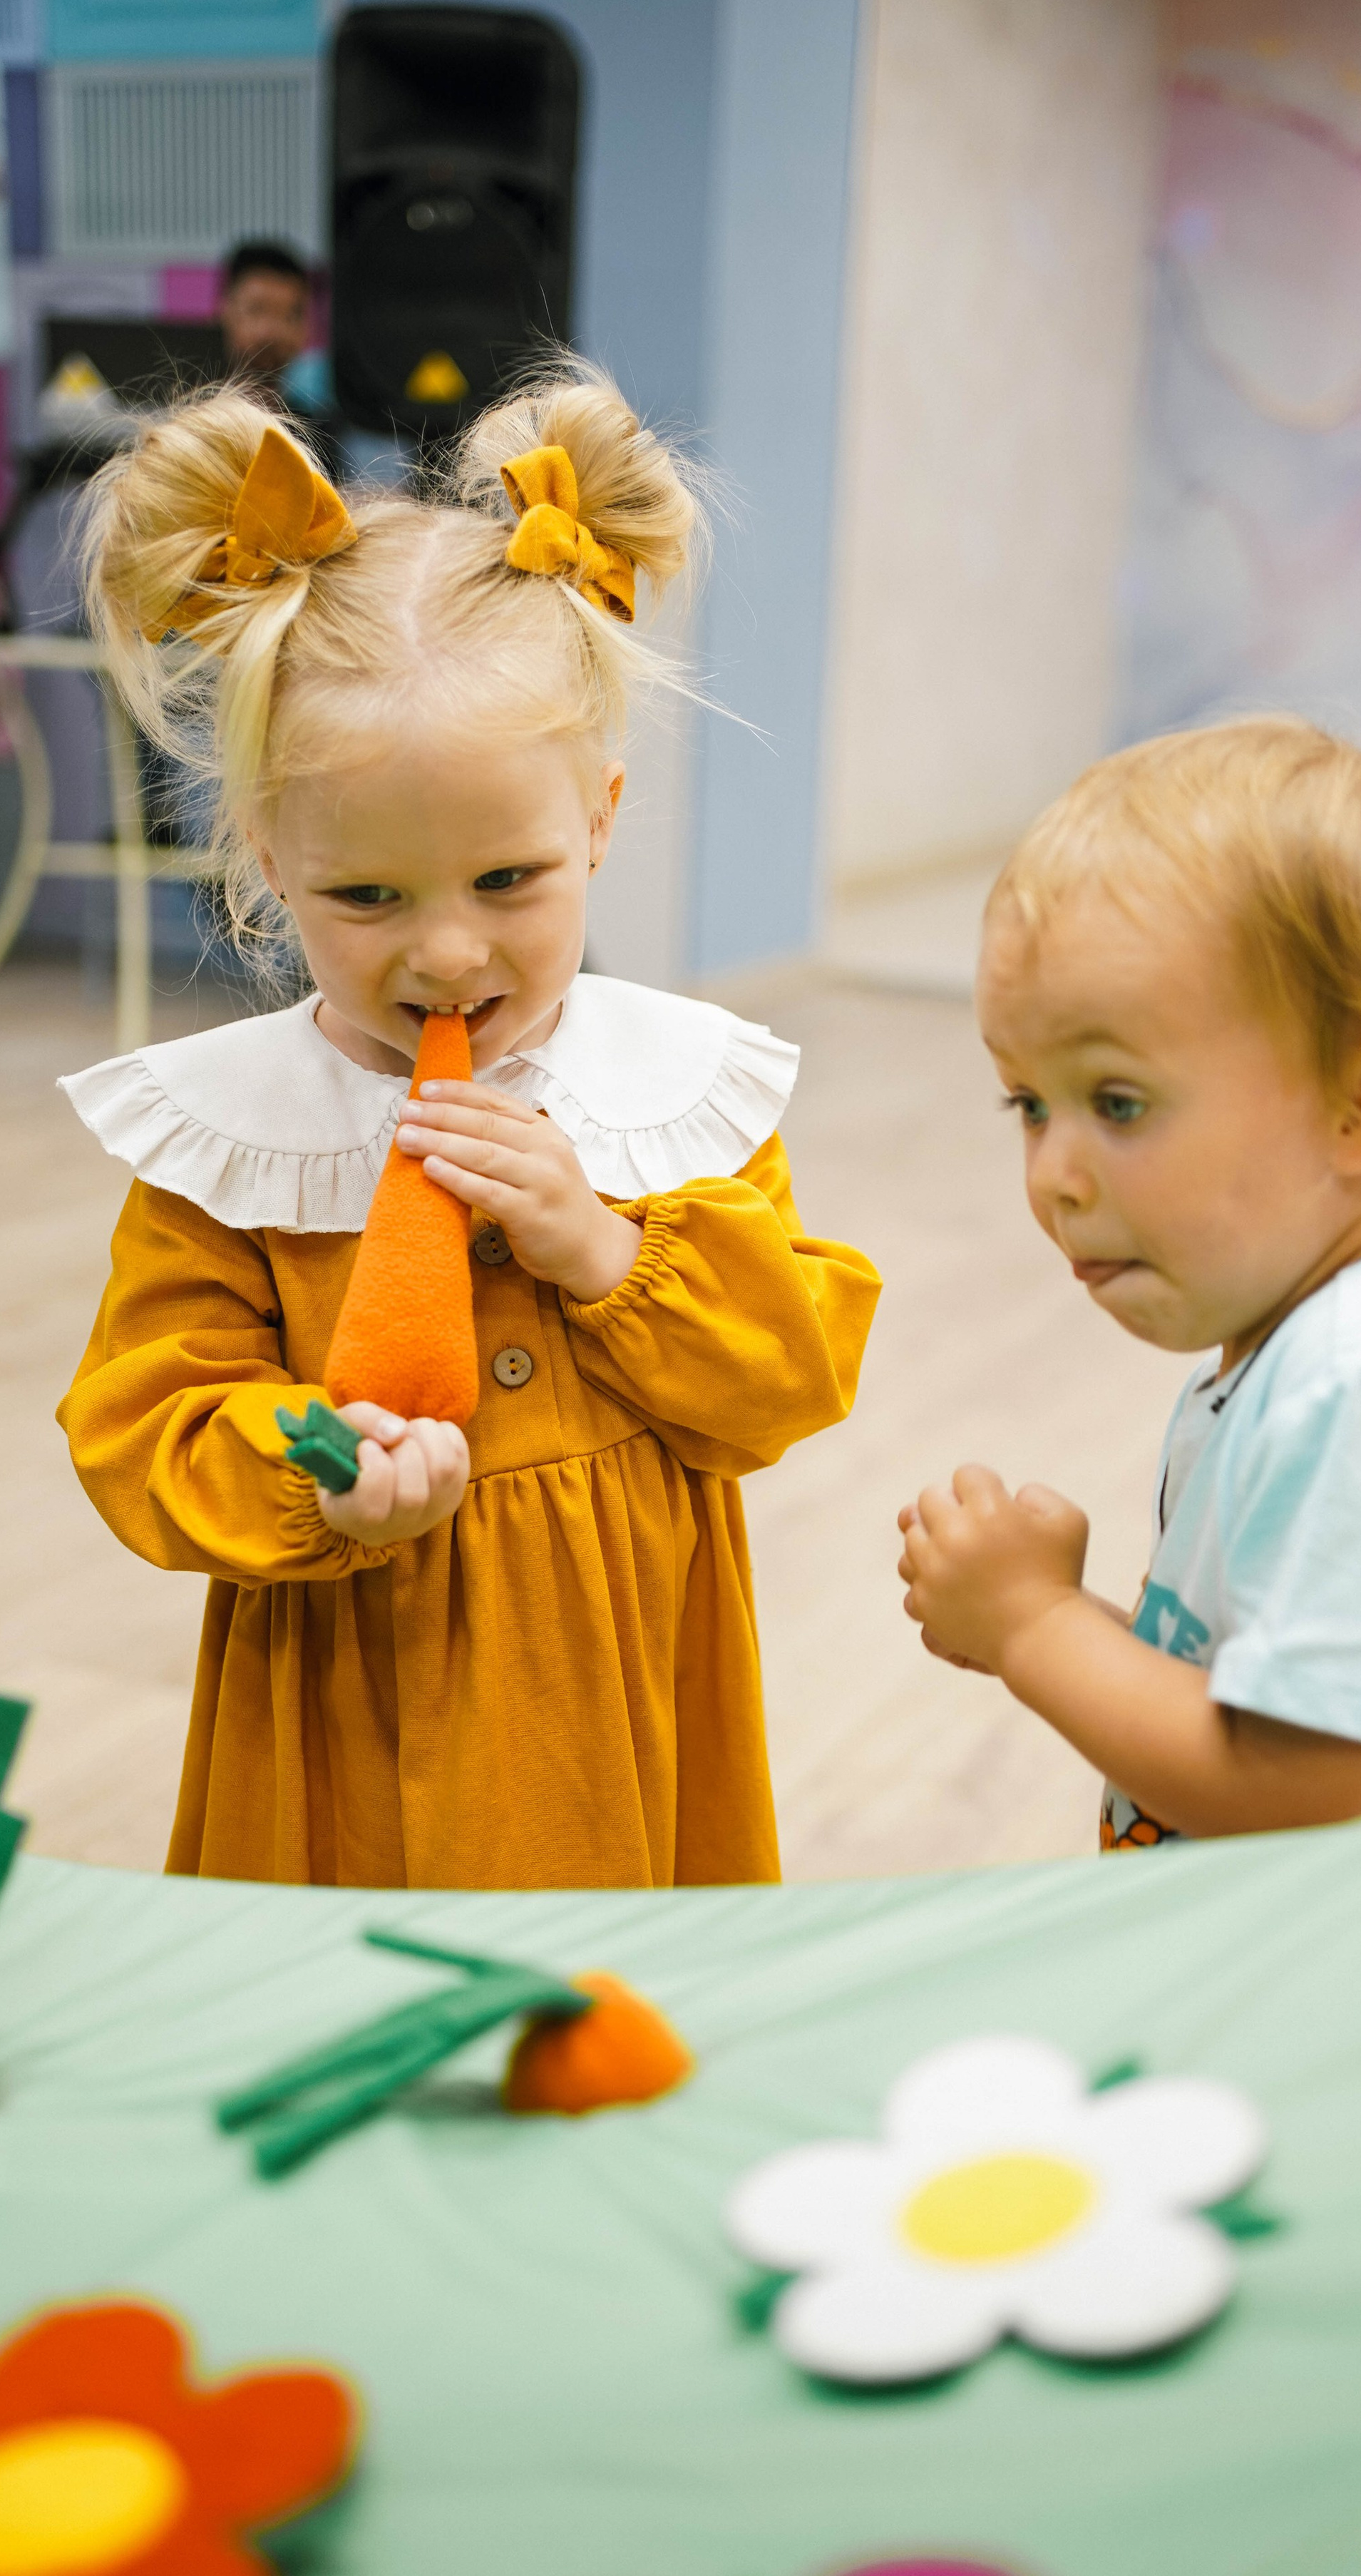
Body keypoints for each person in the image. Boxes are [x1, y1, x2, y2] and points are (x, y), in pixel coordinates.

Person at [56, 363, 881, 1889]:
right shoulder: (236, 1141)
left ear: (598, 825)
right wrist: (310, 1462)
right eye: (367, 898)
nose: (445, 954)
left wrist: (603, 1250)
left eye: (509, 882)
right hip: (349, 1701)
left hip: (624, 1690)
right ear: (268, 864)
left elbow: (787, 1381)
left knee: (609, 2017)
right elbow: (143, 1425)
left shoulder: (674, 1097)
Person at [898, 717, 1361, 1844]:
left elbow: (1300, 1787)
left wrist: (1033, 1624)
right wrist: (1069, 1629)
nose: (1053, 1176)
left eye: (1117, 1103)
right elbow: (1260, 1705)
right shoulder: (1330, 1338)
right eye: (1029, 1104)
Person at [217, 240, 314, 394]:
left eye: (289, 317)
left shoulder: (317, 417)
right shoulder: (187, 416)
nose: (271, 332)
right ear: (225, 310)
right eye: (257, 310)